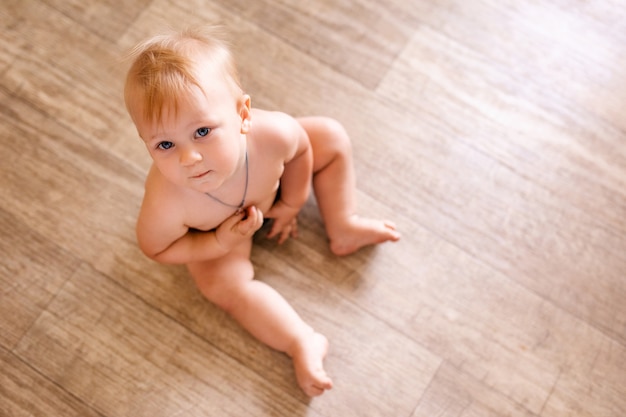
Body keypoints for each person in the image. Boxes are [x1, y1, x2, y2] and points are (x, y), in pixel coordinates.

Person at [123, 26, 400, 397]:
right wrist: (219, 242)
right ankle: (300, 340)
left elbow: (301, 150)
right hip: (218, 233)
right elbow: (156, 249)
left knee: (329, 137)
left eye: (203, 131)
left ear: (243, 114)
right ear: (147, 145)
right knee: (223, 285)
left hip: (273, 187)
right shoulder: (167, 200)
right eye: (165, 144)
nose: (189, 158)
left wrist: (292, 202)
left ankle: (344, 224)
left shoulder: (273, 134)